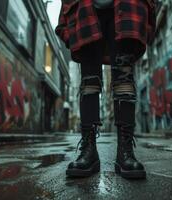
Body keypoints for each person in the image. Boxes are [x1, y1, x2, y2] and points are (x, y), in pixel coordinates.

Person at [55, 0, 156, 179]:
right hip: (84, 10)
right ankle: (89, 150)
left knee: (124, 79)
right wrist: (65, 25)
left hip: (129, 7)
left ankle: (125, 151)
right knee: (89, 83)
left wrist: (148, 15)